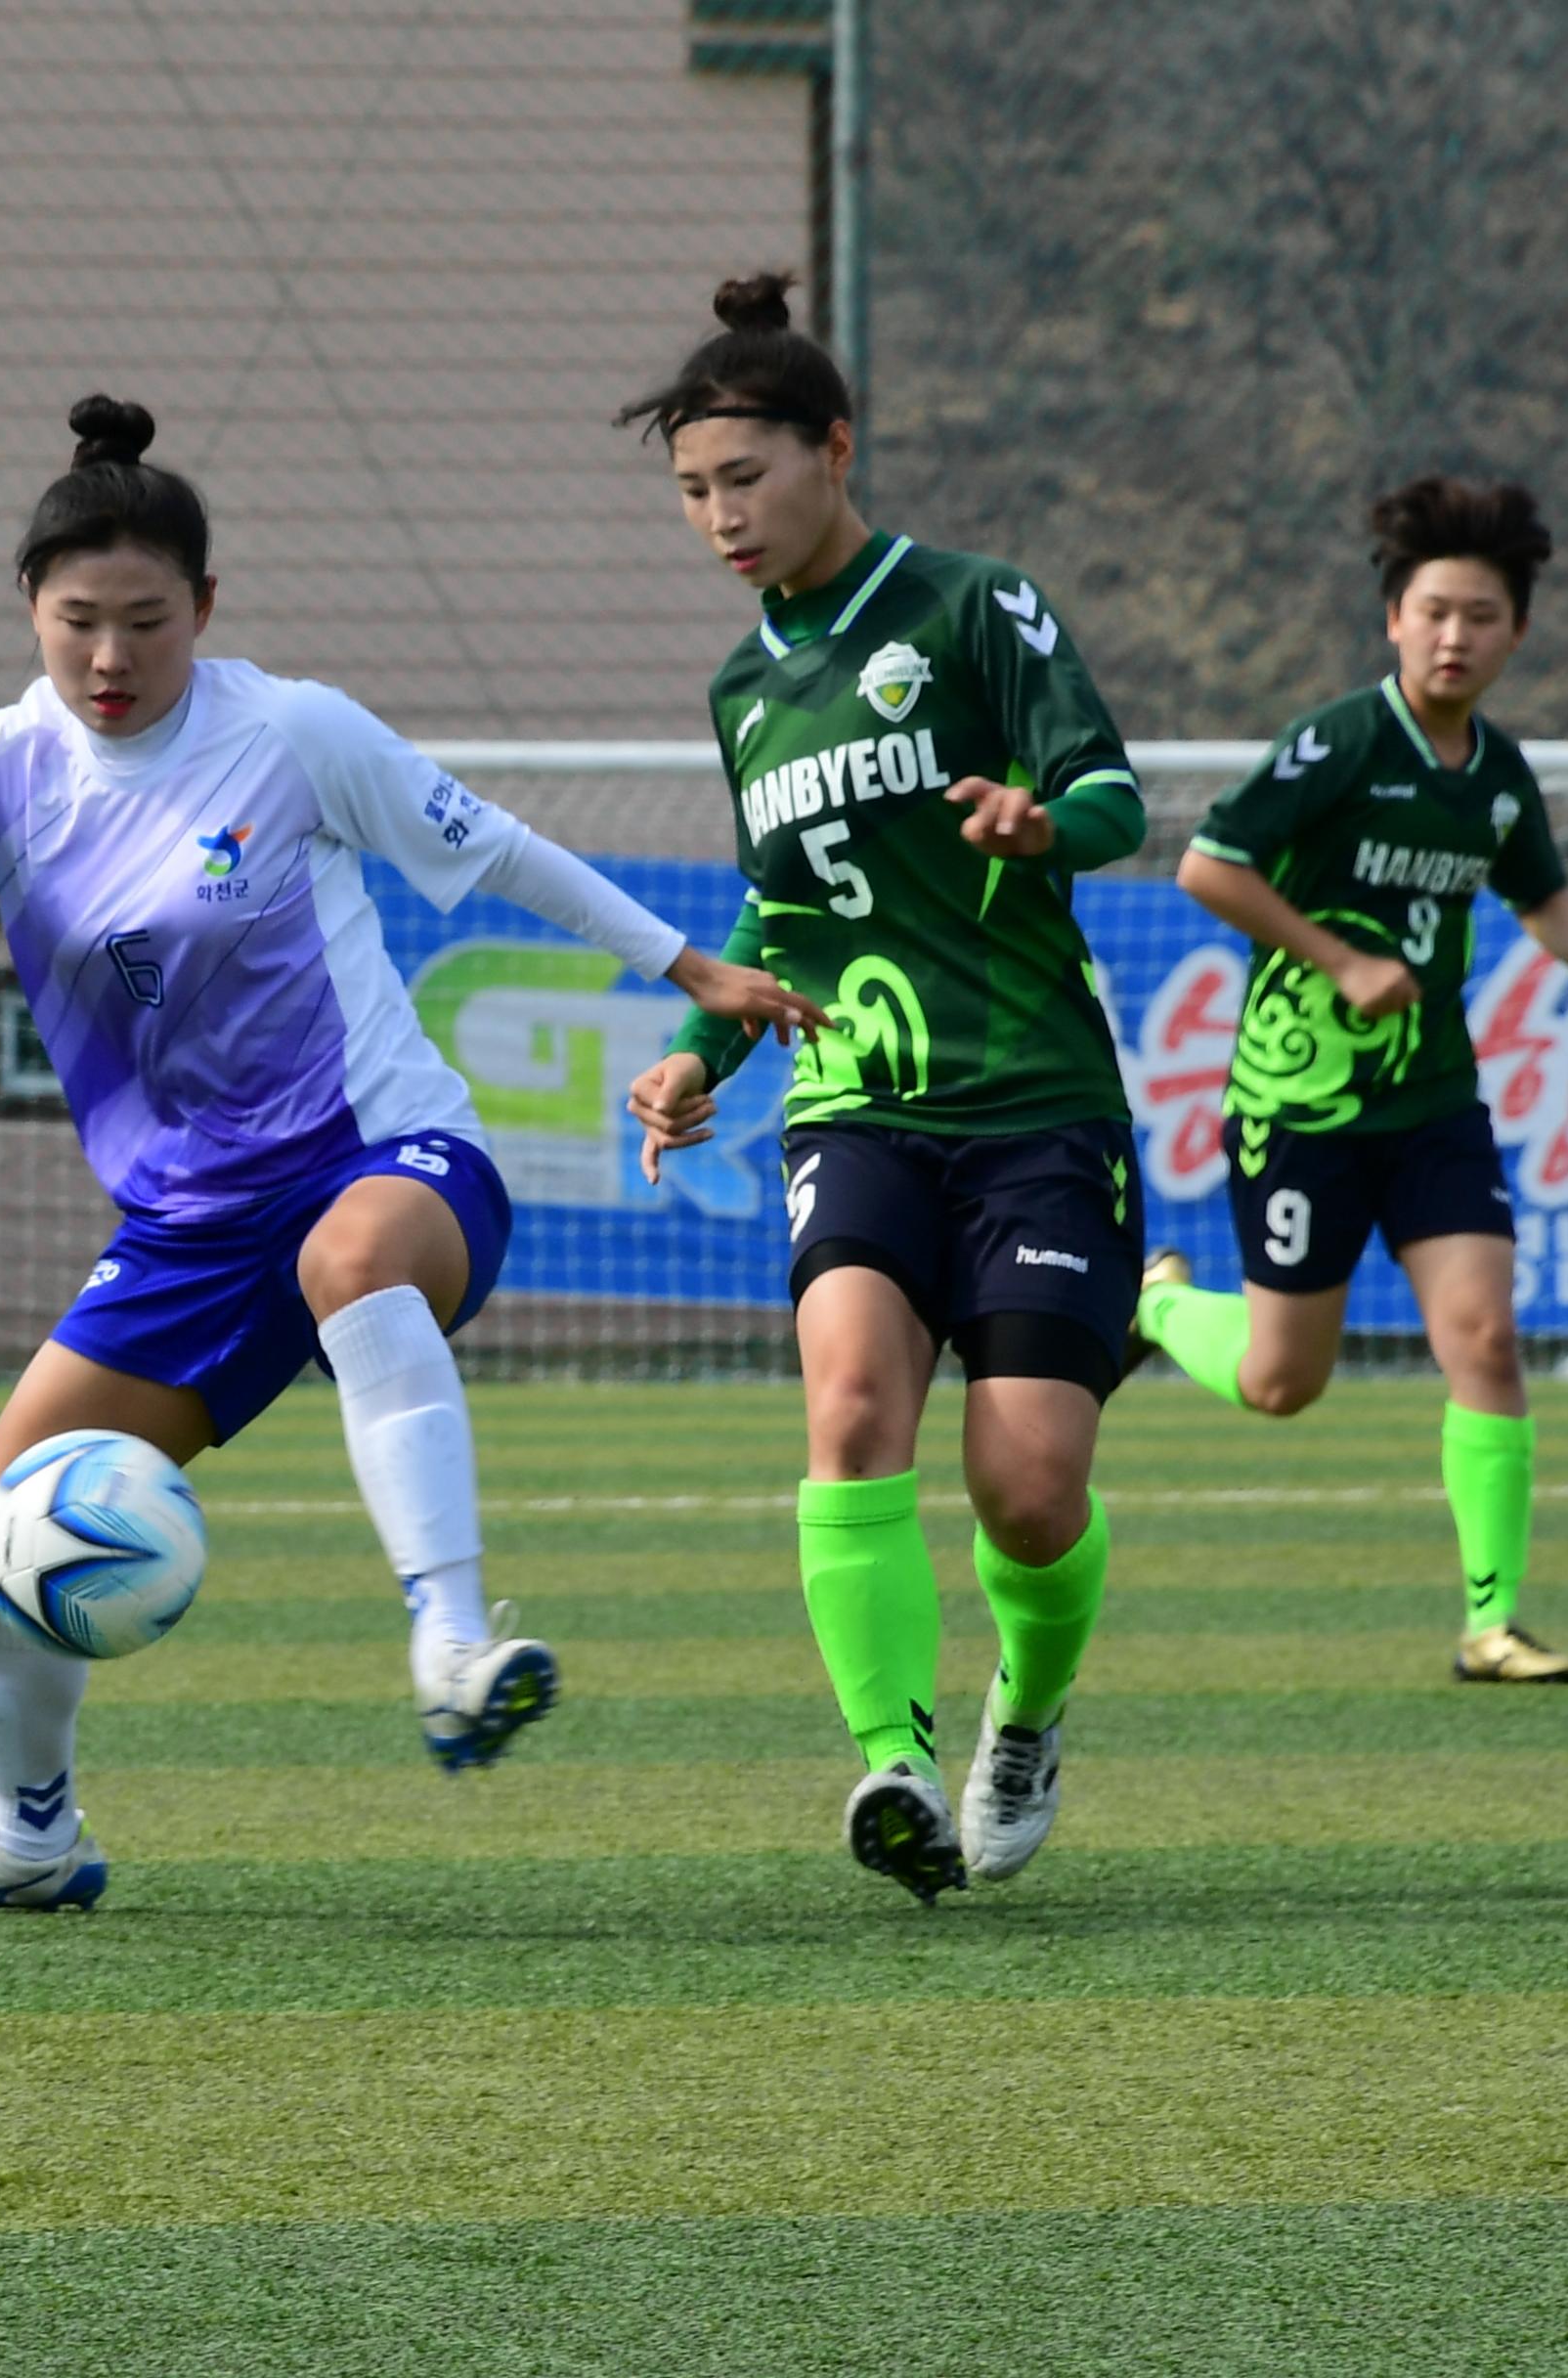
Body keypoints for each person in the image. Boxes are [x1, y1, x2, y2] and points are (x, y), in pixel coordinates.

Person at [0, 398, 821, 1915]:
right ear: (30, 610)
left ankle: (456, 1644)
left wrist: (693, 971)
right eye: (78, 621)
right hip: (188, 1225)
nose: (109, 657)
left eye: (147, 621)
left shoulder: (291, 734)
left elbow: (503, 852)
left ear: (204, 610)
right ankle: (30, 1839)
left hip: (390, 1156)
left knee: (350, 1257)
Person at [615, 272, 1152, 1904]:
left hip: (1036, 1102)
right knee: (849, 1406)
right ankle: (891, 1759)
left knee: (1029, 1484)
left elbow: (1117, 796)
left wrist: (1040, 824)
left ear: (832, 449)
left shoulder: (975, 607)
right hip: (851, 1098)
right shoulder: (741, 692)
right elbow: (778, 906)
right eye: (694, 493)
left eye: (744, 479)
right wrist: (698, 1047)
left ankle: (1024, 1717)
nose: (720, 517)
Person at [1130, 479, 1568, 1685]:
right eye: (1433, 611)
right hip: (1297, 1105)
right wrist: (1339, 957)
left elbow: (1548, 910)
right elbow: (1210, 869)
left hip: (1432, 1103)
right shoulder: (1339, 741)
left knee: (1483, 1334)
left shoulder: (1496, 775)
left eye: (1480, 616)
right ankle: (1159, 1303)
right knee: (1283, 1382)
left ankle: (1493, 1621)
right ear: (1393, 618)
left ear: (1515, 634)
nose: (1454, 636)